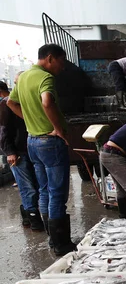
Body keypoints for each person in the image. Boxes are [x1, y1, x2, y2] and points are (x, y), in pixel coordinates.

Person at [7, 44, 76, 255]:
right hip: (50, 142)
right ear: (50, 58)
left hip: (33, 141)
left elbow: (11, 102)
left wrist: (29, 119)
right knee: (57, 193)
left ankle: (52, 240)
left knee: (45, 190)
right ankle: (61, 244)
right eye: (61, 62)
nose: (61, 67)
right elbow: (47, 102)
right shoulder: (46, 78)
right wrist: (57, 129)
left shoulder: (24, 77)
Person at [0, 81, 43, 231]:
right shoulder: (6, 104)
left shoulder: (26, 101)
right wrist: (10, 152)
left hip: (30, 149)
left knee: (36, 187)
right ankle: (34, 220)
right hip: (17, 152)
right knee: (28, 188)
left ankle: (27, 216)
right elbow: (4, 131)